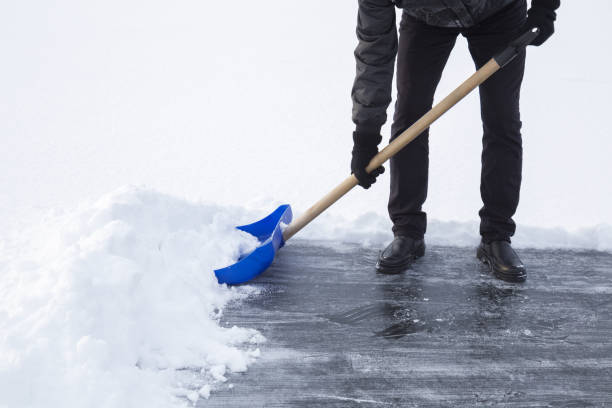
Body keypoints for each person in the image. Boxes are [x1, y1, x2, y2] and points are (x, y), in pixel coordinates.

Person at [350, 0, 560, 282]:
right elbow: (374, 50)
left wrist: (545, 6)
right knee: (410, 118)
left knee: (502, 118)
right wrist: (365, 134)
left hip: (498, 11)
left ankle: (496, 236)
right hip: (426, 19)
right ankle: (407, 231)